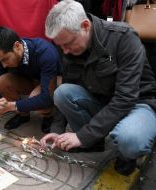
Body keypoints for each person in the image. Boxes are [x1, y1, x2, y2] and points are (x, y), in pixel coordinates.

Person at [40, 0, 156, 176]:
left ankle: (126, 155)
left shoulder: (124, 38)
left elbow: (125, 99)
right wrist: (56, 131)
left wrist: (81, 136)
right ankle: (93, 142)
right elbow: (67, 84)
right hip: (103, 101)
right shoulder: (70, 48)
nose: (65, 51)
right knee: (62, 93)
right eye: (60, 46)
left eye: (68, 43)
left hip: (137, 104)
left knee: (130, 139)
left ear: (85, 25)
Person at [0, 26, 61, 133]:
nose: (3, 65)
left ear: (17, 46)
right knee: (2, 82)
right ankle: (23, 115)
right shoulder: (3, 54)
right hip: (31, 81)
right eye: (0, 61)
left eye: (5, 59)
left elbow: (46, 97)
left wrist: (12, 106)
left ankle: (49, 115)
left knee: (37, 98)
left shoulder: (45, 52)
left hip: (52, 82)